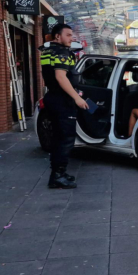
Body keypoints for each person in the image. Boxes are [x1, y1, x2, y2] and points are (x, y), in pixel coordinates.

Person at [39, 24, 89, 189]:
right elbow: (61, 77)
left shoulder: (48, 51)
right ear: (57, 36)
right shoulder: (61, 52)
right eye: (68, 35)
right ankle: (57, 177)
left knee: (58, 138)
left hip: (53, 98)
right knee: (66, 139)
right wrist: (77, 98)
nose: (71, 38)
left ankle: (58, 173)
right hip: (62, 100)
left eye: (71, 35)